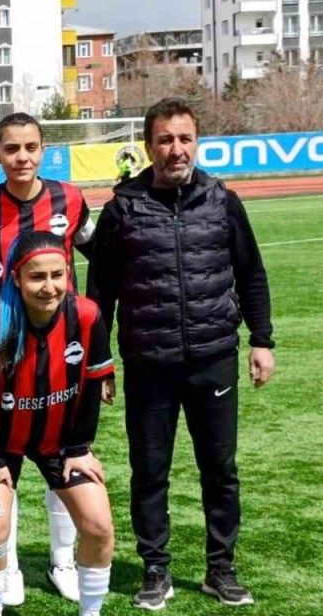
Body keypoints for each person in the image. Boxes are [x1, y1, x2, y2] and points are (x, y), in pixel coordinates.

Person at [88, 96, 275, 610]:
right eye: (165, 140)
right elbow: (99, 293)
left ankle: (221, 568)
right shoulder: (122, 209)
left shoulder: (222, 201)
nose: (176, 149)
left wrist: (261, 340)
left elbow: (251, 274)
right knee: (150, 471)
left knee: (221, 469)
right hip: (149, 363)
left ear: (197, 142)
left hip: (214, 358)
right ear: (149, 147)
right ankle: (155, 570)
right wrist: (100, 361)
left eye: (185, 138)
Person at [0, 111, 96, 605]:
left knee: (63, 452)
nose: (22, 157)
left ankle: (63, 561)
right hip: (4, 347)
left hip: (62, 347)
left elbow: (97, 250)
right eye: (11, 149)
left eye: (30, 147)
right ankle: (6, 565)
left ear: (43, 150)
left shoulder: (69, 198)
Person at [0, 232, 115, 616]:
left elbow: (93, 384)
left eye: (57, 275)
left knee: (99, 526)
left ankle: (91, 612)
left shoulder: (87, 316)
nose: (49, 287)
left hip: (62, 441)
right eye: (37, 277)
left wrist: (80, 447)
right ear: (16, 278)